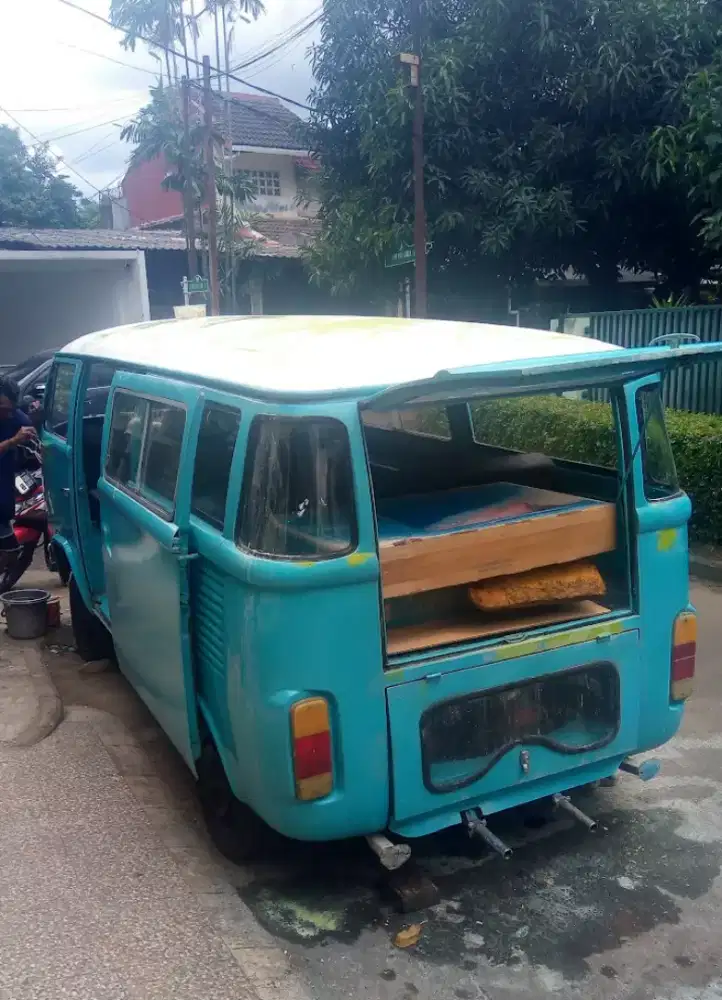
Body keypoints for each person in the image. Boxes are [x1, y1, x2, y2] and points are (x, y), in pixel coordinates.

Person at [0, 376, 36, 564]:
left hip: (3, 494)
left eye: (11, 408)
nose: (8, 413)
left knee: (10, 553)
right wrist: (13, 441)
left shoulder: (14, 417)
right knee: (9, 551)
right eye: (3, 408)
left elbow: (32, 433)